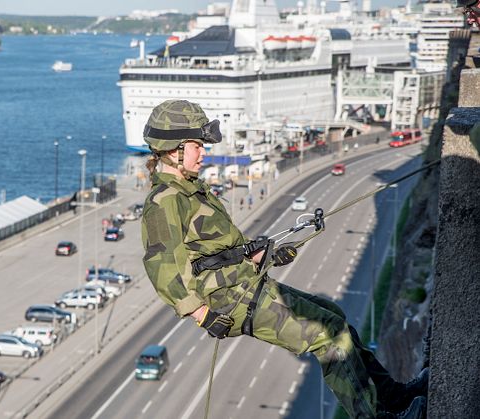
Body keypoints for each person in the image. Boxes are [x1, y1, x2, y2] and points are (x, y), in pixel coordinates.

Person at [140, 100, 427, 419]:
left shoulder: (191, 190)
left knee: (334, 315)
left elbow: (215, 253)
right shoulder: (165, 202)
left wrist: (266, 255)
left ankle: (394, 397)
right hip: (229, 303)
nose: (204, 152)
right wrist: (204, 315)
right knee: (328, 336)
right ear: (173, 150)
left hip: (244, 287)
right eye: (197, 145)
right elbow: (163, 271)